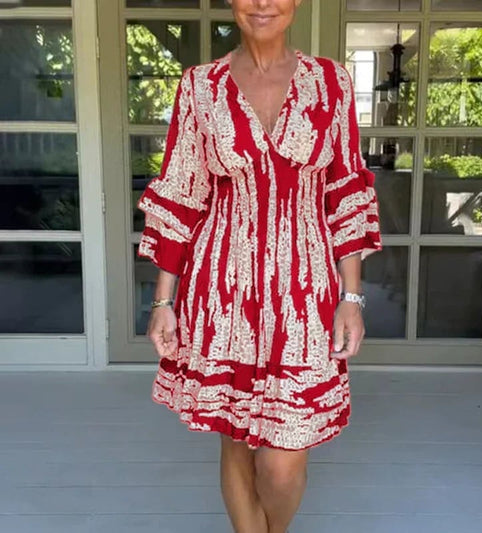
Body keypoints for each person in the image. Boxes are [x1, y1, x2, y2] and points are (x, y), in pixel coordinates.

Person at [137, 1, 382, 531]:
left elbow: (346, 193)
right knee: (236, 438)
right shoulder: (200, 86)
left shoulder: (331, 83)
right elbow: (180, 194)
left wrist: (351, 297)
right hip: (222, 290)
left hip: (305, 294)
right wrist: (163, 301)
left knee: (283, 461)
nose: (263, 3)